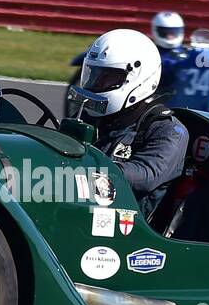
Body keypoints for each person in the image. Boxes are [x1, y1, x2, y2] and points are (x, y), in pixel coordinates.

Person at [70, 28, 188, 217]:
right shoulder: (89, 116)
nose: (96, 83)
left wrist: (84, 172)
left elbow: (146, 174)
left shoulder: (168, 130)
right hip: (79, 209)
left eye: (106, 77)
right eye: (94, 75)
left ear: (136, 78)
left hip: (128, 229)